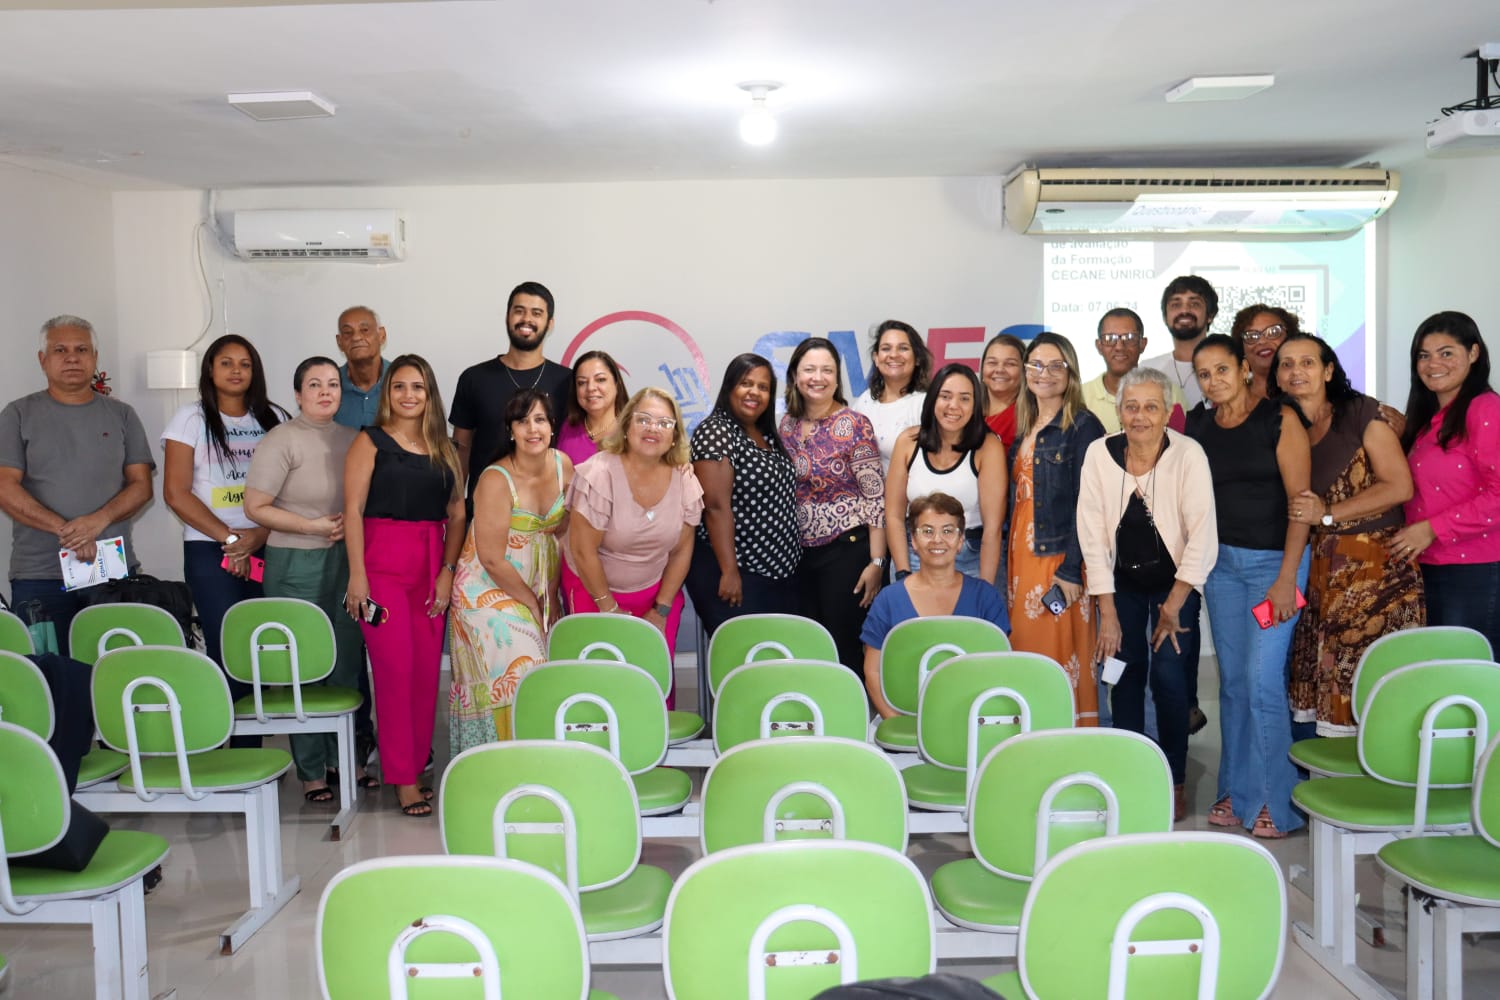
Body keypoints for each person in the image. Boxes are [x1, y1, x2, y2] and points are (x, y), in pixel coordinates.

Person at [1079, 366, 1217, 820]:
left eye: (1151, 407)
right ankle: (1129, 776)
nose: (1140, 416)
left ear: (1168, 411)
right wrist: (1107, 612)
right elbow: (1092, 535)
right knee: (1124, 674)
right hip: (1121, 586)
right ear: (1119, 411)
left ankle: (1173, 779)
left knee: (1171, 681)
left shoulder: (1189, 454)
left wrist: (1174, 606)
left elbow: (1202, 536)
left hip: (1176, 585)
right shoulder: (1099, 454)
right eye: (1132, 407)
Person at [1186, 334, 1310, 839]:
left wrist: (1286, 578)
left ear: (1242, 368)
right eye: (1204, 374)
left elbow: (1301, 505)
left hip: (1274, 569)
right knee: (1234, 684)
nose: (1213, 381)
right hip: (1223, 569)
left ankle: (1278, 802)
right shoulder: (1198, 425)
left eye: (1222, 369)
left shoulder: (1279, 419)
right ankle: (1236, 792)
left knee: (1262, 682)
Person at [1271, 333, 1422, 738]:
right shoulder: (1287, 428)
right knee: (1329, 692)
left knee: (1376, 690)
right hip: (1322, 573)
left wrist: (1328, 514)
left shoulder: (1360, 412)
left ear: (1328, 371)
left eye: (1307, 362)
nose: (1296, 371)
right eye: (1286, 364)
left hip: (1377, 571)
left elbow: (1399, 486)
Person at [343, 354, 465, 818]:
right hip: (381, 567)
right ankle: (402, 779)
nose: (408, 395)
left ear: (429, 394)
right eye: (399, 386)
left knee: (424, 674)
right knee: (394, 672)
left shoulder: (445, 447)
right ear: (387, 394)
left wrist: (447, 570)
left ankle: (414, 766)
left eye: (417, 387)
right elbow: (353, 510)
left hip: (430, 566)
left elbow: (457, 514)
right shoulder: (369, 441)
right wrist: (357, 575)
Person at [244, 356, 369, 800]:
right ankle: (312, 770)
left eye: (333, 384)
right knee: (304, 667)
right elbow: (255, 507)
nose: (325, 392)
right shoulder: (282, 439)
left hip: (346, 562)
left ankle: (345, 760)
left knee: (347, 662)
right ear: (298, 394)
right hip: (294, 562)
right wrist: (311, 526)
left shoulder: (354, 439)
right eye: (314, 384)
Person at [0, 316, 154, 655]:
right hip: (40, 576)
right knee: (48, 672)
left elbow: (141, 486)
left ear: (95, 357)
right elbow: (5, 488)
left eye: (81, 349)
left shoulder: (122, 415)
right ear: (43, 359)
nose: (72, 357)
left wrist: (97, 521)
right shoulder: (17, 414)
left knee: (116, 669)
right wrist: (69, 532)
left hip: (112, 573)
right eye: (60, 350)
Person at [161, 334, 285, 746]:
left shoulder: (274, 418)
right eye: (226, 363)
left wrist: (259, 534)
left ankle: (252, 752)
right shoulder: (189, 419)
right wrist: (232, 539)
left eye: (245, 364)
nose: (236, 371)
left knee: (259, 644)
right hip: (209, 547)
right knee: (226, 643)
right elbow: (176, 492)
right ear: (210, 370)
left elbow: (291, 491)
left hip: (266, 544)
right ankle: (225, 745)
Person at [449, 389, 571, 752]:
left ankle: (543, 758)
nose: (532, 429)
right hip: (485, 587)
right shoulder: (495, 478)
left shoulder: (564, 465)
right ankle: (504, 760)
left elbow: (561, 534)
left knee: (551, 660)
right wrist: (533, 604)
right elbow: (490, 559)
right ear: (511, 430)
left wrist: (551, 596)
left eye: (540, 419)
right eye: (522, 421)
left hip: (537, 582)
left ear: (552, 426)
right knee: (527, 658)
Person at [561, 387, 704, 667]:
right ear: (626, 426)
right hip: (594, 591)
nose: (653, 428)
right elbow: (583, 551)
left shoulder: (684, 478)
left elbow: (681, 551)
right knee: (603, 678)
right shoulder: (599, 474)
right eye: (644, 419)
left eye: (664, 423)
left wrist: (661, 609)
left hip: (657, 595)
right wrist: (609, 608)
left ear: (674, 436)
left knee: (654, 674)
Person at [1008, 332, 1104, 725]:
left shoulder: (1083, 425)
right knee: (1027, 654)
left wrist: (1071, 569)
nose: (1043, 373)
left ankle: (1065, 739)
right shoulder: (1026, 424)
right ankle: (1032, 739)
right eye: (1036, 364)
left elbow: (1089, 504)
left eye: (1055, 365)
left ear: (1070, 373)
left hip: (1059, 560)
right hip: (1022, 559)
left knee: (1059, 656)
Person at [779, 337, 887, 675]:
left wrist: (877, 562)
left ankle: (853, 708)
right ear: (795, 376)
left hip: (847, 551)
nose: (818, 377)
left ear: (837, 378)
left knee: (844, 648)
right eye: (809, 369)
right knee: (810, 648)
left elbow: (875, 496)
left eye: (827, 370)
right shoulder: (786, 426)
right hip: (800, 557)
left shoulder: (855, 424)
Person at [1395, 311, 1500, 652]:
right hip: (1429, 566)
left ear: (1474, 353)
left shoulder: (1486, 410)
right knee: (1438, 672)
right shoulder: (1427, 422)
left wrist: (1431, 529)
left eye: (1446, 353)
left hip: (1474, 570)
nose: (1433, 364)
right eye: (1423, 355)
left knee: (1466, 673)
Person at [862, 491, 1009, 716]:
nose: (937, 540)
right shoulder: (888, 600)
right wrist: (895, 722)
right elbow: (872, 672)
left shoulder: (985, 597)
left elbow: (1000, 668)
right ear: (913, 540)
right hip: (905, 719)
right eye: (927, 531)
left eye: (948, 531)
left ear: (960, 541)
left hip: (972, 720)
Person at [685, 353, 799, 635]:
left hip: (776, 576)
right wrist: (730, 571)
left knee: (774, 654)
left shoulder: (765, 433)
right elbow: (715, 507)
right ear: (730, 387)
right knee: (743, 655)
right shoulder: (716, 431)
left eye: (763, 387)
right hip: (736, 573)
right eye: (746, 383)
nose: (754, 392)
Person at [449, 281, 572, 506]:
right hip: (484, 510)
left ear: (550, 324)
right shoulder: (474, 378)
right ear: (507, 317)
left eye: (536, 313)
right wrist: (455, 506)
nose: (527, 319)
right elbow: (461, 450)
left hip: (546, 516)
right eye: (519, 311)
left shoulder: (567, 381)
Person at [886, 363, 1006, 584]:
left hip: (969, 557)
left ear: (975, 405)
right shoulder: (907, 442)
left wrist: (985, 589)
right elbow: (893, 516)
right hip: (914, 554)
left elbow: (993, 529)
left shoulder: (988, 447)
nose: (954, 406)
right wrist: (903, 573)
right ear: (933, 399)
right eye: (946, 396)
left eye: (964, 398)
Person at [1081, 307, 1186, 434]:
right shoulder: (1080, 397)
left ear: (1143, 344)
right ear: (1099, 346)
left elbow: (1180, 442)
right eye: (1110, 338)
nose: (1119, 347)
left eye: (1129, 338)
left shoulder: (1169, 391)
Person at [851, 320, 931, 470]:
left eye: (903, 348)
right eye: (886, 348)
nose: (893, 355)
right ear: (876, 358)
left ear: (918, 358)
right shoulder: (864, 401)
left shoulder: (925, 404)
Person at [1142, 275, 1219, 410]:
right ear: (1165, 317)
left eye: (1194, 304)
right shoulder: (1147, 370)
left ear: (1210, 316)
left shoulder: (1228, 369)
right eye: (1176, 305)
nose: (1184, 310)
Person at [555, 350, 627, 467]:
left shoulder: (631, 431)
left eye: (600, 380)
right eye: (582, 382)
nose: (590, 388)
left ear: (617, 384)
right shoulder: (568, 428)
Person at [333, 305, 390, 429]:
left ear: (382, 335)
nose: (356, 337)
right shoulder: (329, 387)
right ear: (339, 342)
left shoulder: (402, 381)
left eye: (364, 330)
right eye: (347, 332)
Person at [1231, 304, 1299, 404]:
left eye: (1273, 332)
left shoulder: (1311, 391)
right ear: (1242, 349)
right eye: (1252, 336)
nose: (1262, 341)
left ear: (1290, 338)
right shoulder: (1230, 399)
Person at [980, 333, 1025, 450]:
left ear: (1024, 371)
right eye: (992, 363)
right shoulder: (968, 411)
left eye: (1010, 364)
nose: (999, 370)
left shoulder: (1027, 418)